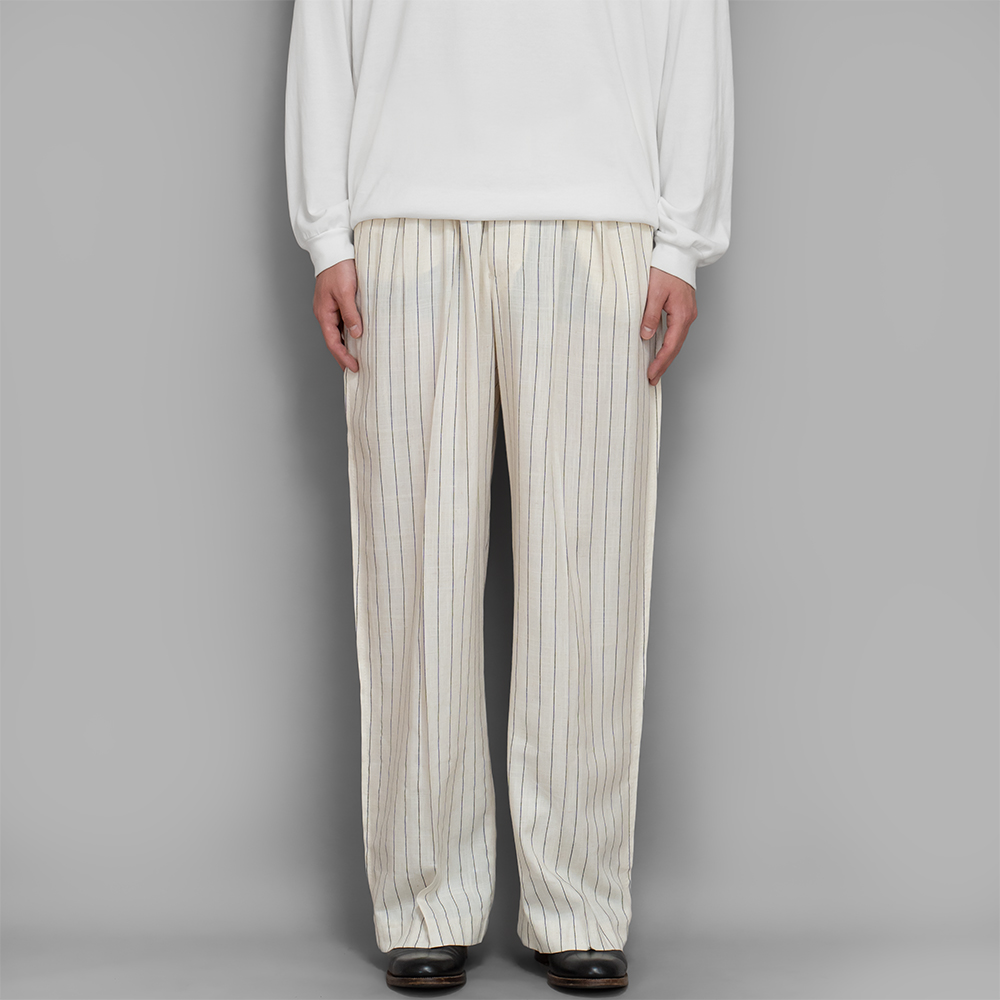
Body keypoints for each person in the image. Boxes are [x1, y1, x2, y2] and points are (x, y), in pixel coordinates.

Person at [284, 0, 733, 990]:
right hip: (404, 206)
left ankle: (578, 901)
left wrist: (679, 242)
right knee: (415, 570)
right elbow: (322, 19)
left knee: (588, 571)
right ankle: (426, 897)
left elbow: (695, 18)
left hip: (596, 206)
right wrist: (328, 232)